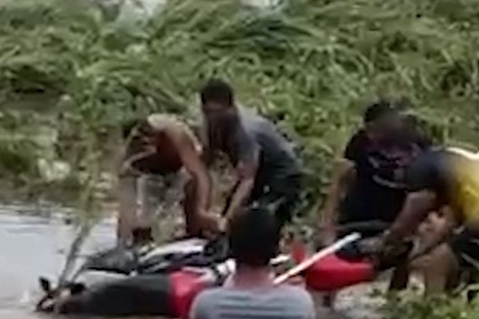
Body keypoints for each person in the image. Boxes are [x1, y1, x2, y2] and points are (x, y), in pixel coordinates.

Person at [374, 148, 479, 295]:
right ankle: (462, 310)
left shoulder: (422, 168)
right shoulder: (459, 177)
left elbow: (415, 209)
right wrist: (419, 251)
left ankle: (431, 312)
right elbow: (449, 227)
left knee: (437, 263)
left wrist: (392, 238)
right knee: (468, 266)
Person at [318, 100, 428, 296]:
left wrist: (418, 225)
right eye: (370, 130)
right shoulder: (361, 142)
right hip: (359, 212)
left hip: (397, 214)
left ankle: (393, 301)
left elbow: (427, 190)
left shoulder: (419, 143)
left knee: (401, 254)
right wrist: (328, 224)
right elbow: (341, 180)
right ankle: (328, 303)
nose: (373, 134)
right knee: (338, 257)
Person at [199, 79, 304, 232]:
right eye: (209, 114)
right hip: (259, 172)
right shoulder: (212, 124)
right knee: (231, 215)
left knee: (257, 221)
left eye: (218, 114)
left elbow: (247, 180)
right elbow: (206, 159)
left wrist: (227, 220)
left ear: (231, 108)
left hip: (282, 176)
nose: (214, 119)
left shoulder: (246, 130)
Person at [116, 114, 214, 245]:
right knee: (138, 221)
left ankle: (193, 234)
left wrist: (202, 211)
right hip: (150, 174)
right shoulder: (134, 149)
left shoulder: (177, 135)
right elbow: (127, 198)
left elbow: (201, 176)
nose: (148, 144)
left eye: (150, 140)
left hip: (181, 171)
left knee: (183, 211)